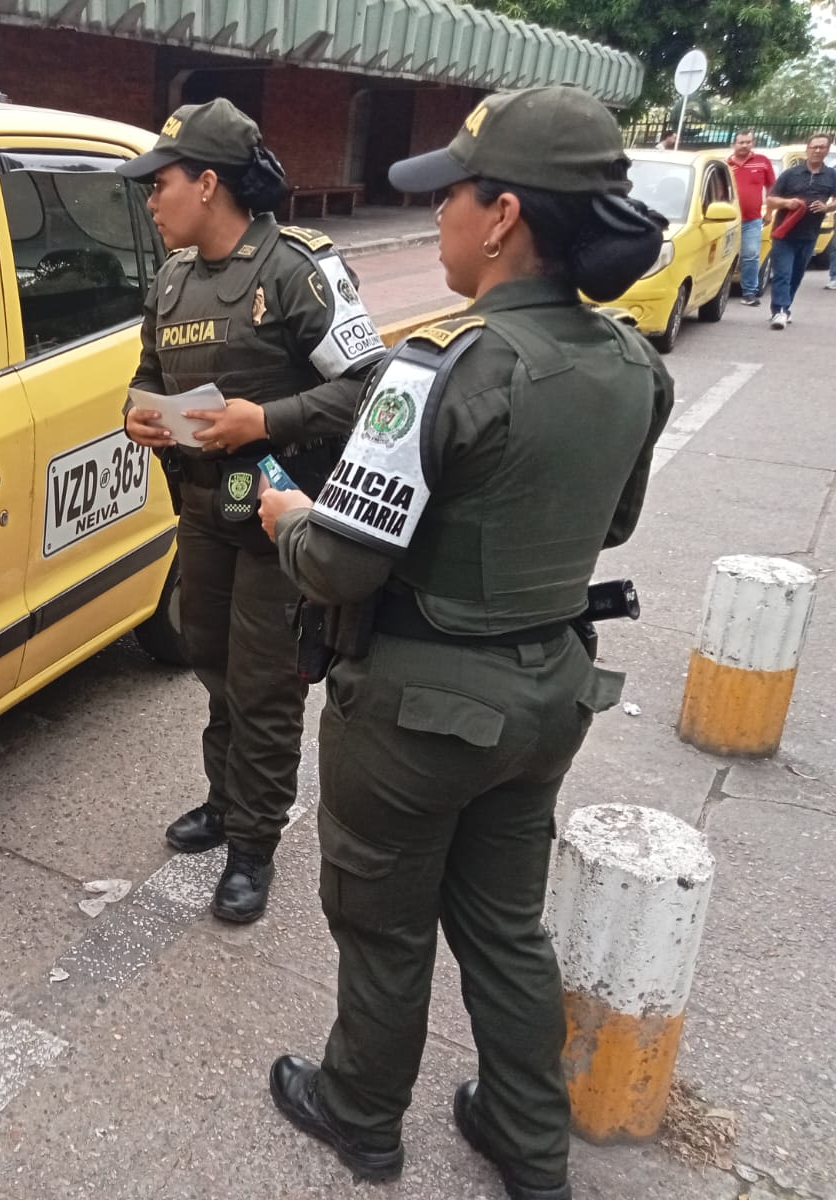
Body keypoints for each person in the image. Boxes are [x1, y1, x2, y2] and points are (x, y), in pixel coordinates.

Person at [256, 85, 672, 1198]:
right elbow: (613, 523)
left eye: (448, 195)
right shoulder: (632, 362)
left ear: (500, 219)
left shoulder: (437, 369)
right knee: (504, 929)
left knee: (384, 928)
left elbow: (343, 563)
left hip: (414, 714)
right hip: (547, 698)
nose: (433, 216)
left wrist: (289, 521)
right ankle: (531, 1151)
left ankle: (360, 1115)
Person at [118, 98, 383, 923]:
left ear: (207, 184)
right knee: (214, 664)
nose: (150, 200)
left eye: (159, 184)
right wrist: (141, 416)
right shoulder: (171, 276)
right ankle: (226, 801)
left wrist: (264, 420)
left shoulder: (295, 268)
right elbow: (151, 373)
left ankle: (254, 846)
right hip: (202, 506)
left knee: (266, 685)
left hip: (280, 511)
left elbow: (369, 386)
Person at [764, 132, 835, 328]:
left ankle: (784, 309)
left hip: (810, 234)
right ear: (807, 148)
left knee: (796, 275)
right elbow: (770, 199)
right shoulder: (791, 174)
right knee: (782, 274)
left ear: (827, 150)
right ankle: (779, 311)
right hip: (784, 233)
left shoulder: (831, 175)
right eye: (814, 147)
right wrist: (787, 202)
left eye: (822, 147)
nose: (817, 150)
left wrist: (827, 207)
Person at [726, 130, 776, 306]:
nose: (745, 145)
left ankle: (749, 293)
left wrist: (769, 211)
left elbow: (772, 188)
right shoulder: (726, 164)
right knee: (723, 257)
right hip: (727, 221)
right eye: (741, 142)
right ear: (734, 144)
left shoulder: (762, 162)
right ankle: (719, 292)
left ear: (752, 143)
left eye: (748, 142)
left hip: (752, 219)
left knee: (751, 255)